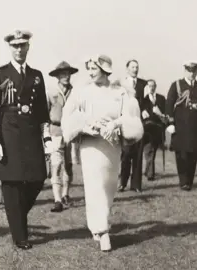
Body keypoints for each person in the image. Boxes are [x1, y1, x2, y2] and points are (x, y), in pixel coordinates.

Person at [61, 55, 143, 251]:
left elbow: (129, 117)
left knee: (108, 186)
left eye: (93, 68)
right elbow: (69, 116)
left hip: (112, 145)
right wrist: (85, 126)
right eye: (88, 68)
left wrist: (116, 124)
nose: (90, 72)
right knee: (94, 184)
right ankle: (102, 230)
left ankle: (96, 225)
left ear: (105, 69)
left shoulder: (120, 92)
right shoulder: (82, 92)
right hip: (91, 145)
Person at [0, 30, 52, 250]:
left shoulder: (36, 75)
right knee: (11, 183)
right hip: (8, 133)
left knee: (37, 178)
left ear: (28, 47)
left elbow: (42, 110)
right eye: (15, 46)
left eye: (23, 45)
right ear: (10, 48)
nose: (19, 49)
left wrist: (47, 136)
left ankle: (16, 216)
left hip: (32, 133)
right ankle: (20, 235)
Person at [165, 61, 197, 191]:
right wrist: (170, 122)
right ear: (185, 71)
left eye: (194, 71)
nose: (192, 73)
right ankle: (183, 181)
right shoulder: (176, 85)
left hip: (195, 128)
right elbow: (169, 104)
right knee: (182, 155)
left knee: (193, 154)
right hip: (180, 127)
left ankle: (189, 180)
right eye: (189, 71)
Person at [46, 61, 78, 212]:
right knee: (56, 164)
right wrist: (45, 134)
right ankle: (57, 199)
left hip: (71, 132)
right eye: (63, 74)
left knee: (69, 165)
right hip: (56, 131)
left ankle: (65, 194)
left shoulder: (75, 93)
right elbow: (44, 115)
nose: (66, 77)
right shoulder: (51, 93)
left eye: (68, 74)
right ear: (57, 76)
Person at [119, 59, 146, 192]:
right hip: (126, 123)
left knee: (138, 154)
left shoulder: (143, 84)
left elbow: (147, 102)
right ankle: (122, 182)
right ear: (127, 69)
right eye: (132, 67)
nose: (135, 69)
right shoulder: (121, 85)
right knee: (126, 154)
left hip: (139, 124)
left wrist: (146, 111)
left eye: (137, 67)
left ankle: (136, 185)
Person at [140, 79, 166, 180]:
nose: (151, 87)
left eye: (153, 85)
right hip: (146, 129)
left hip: (157, 129)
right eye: (149, 86)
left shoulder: (161, 98)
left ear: (155, 86)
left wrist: (160, 113)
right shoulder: (143, 100)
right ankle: (150, 174)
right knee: (148, 150)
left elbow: (165, 114)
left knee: (152, 151)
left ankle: (148, 172)